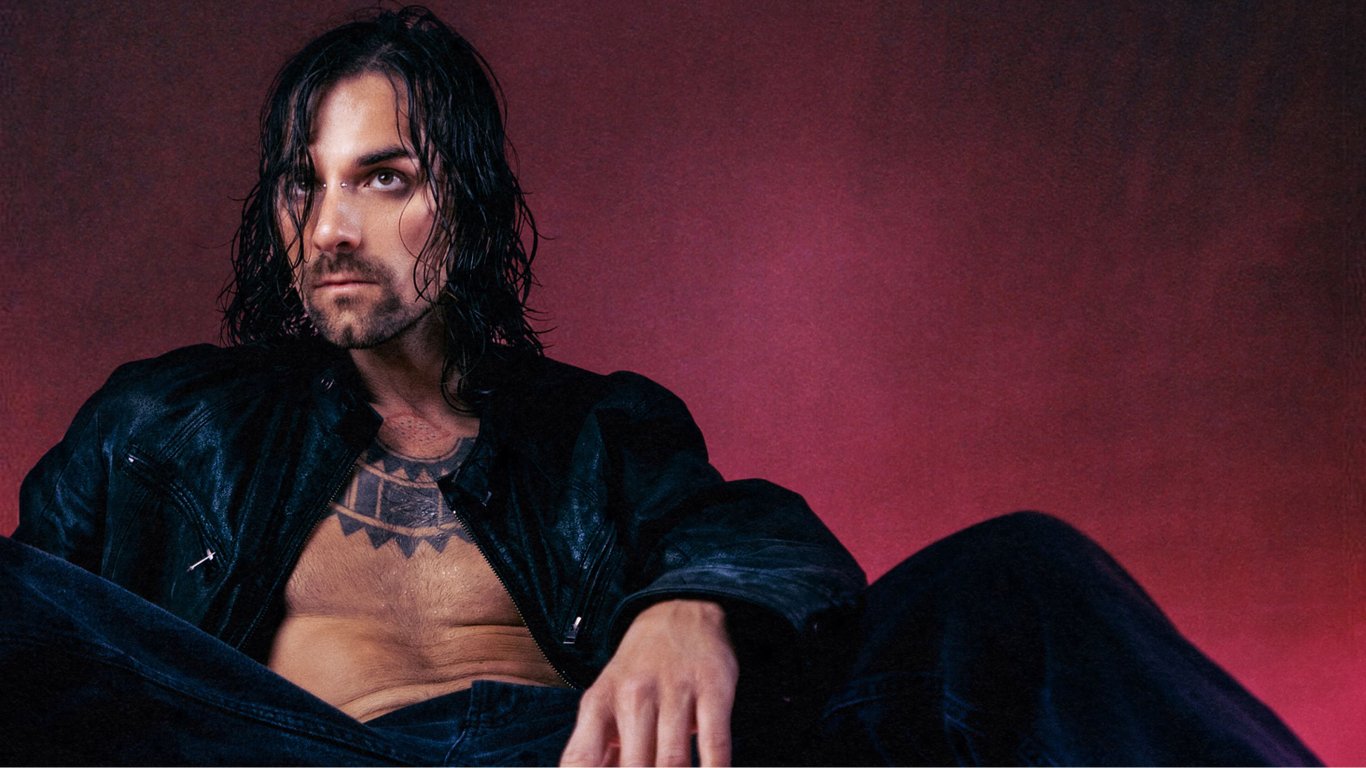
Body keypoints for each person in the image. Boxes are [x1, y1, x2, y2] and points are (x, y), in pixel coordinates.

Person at [1, 7, 1319, 766]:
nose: (331, 227)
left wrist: (694, 607)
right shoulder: (160, 423)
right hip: (288, 748)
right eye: (306, 185)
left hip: (571, 753)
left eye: (383, 178)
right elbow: (56, 637)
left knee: (1020, 575)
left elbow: (765, 538)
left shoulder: (596, 431)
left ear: (469, 206)